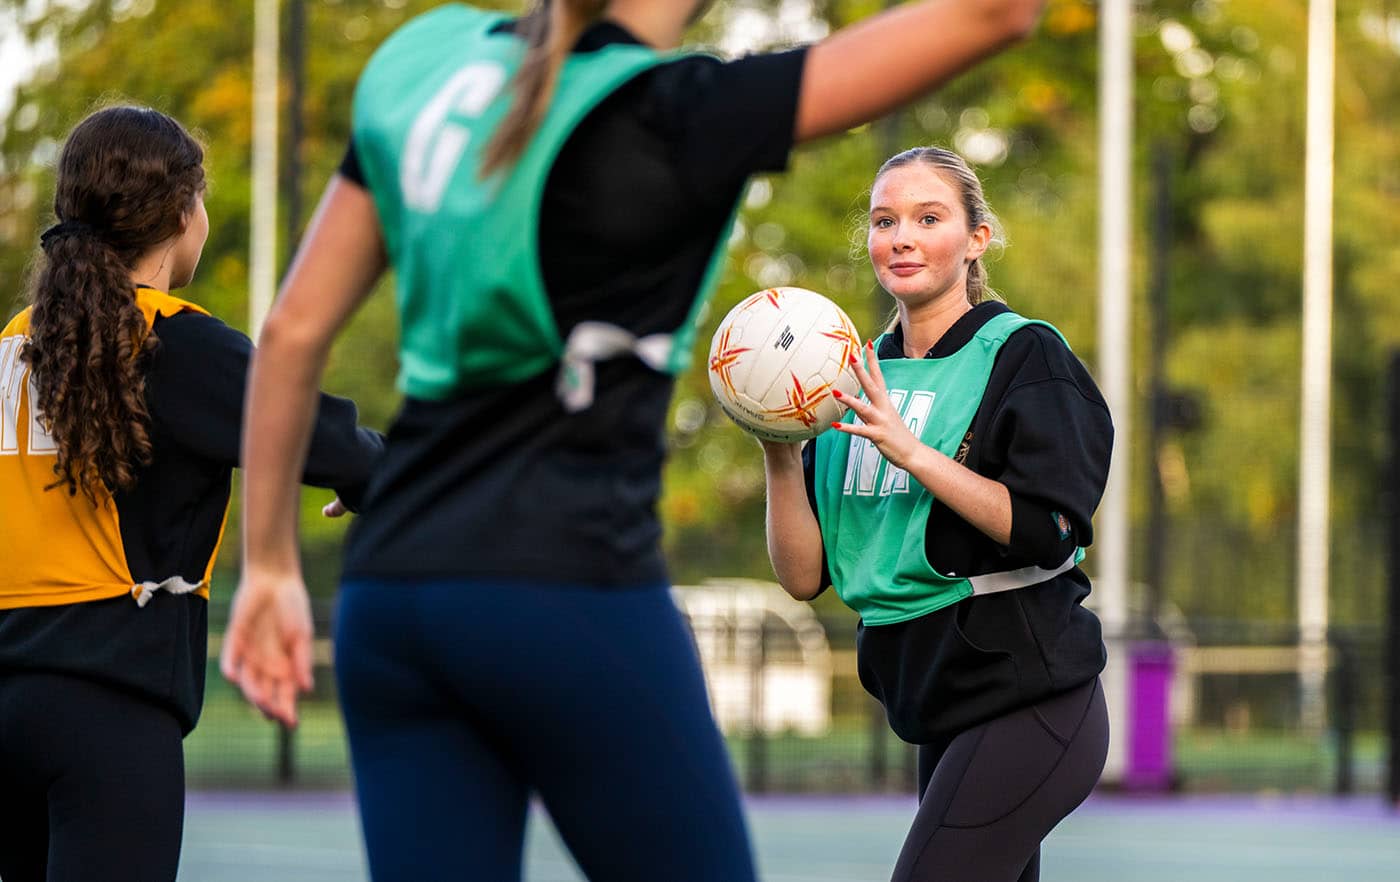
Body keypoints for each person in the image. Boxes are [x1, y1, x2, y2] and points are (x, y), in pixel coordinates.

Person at [219, 1, 1049, 879]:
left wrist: (268, 562)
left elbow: (293, 332)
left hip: (392, 596)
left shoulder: (421, 60)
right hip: (564, 584)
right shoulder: (681, 110)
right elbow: (997, 12)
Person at [0, 106, 383, 882]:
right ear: (184, 214)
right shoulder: (173, 341)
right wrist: (369, 477)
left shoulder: (15, 339)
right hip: (106, 711)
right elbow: (322, 433)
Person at [761, 145, 1112, 881]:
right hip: (935, 704)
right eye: (885, 221)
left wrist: (913, 452)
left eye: (929, 217)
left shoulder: (1022, 355)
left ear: (976, 239)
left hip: (1029, 695)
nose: (902, 237)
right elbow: (804, 576)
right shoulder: (846, 376)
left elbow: (1049, 534)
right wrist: (779, 450)